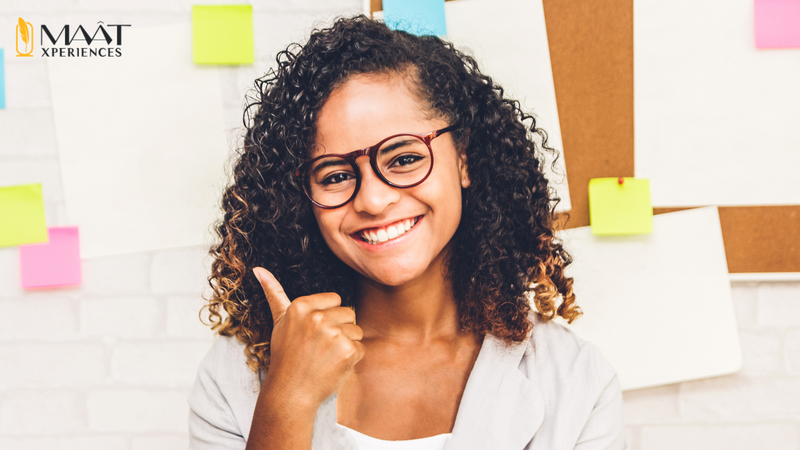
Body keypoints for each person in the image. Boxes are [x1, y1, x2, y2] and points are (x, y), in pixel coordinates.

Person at [188, 14, 627, 450]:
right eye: (336, 175)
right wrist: (288, 400)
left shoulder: (577, 382)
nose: (374, 201)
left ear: (464, 159)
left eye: (403, 159)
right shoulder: (237, 373)